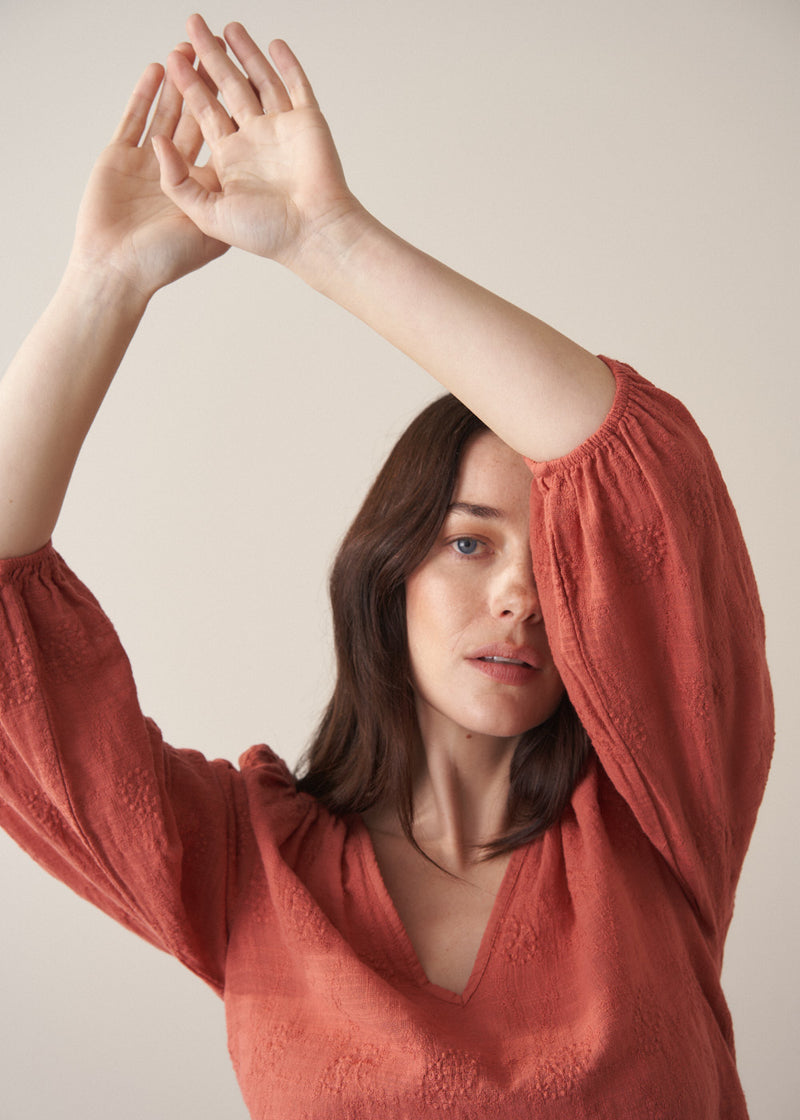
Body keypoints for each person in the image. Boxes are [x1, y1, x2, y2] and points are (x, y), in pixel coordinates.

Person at [0, 14, 773, 1119]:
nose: (520, 594)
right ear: (389, 571)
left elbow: (636, 468)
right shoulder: (244, 868)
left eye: (553, 556)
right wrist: (103, 283)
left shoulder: (656, 819)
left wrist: (328, 239)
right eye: (469, 541)